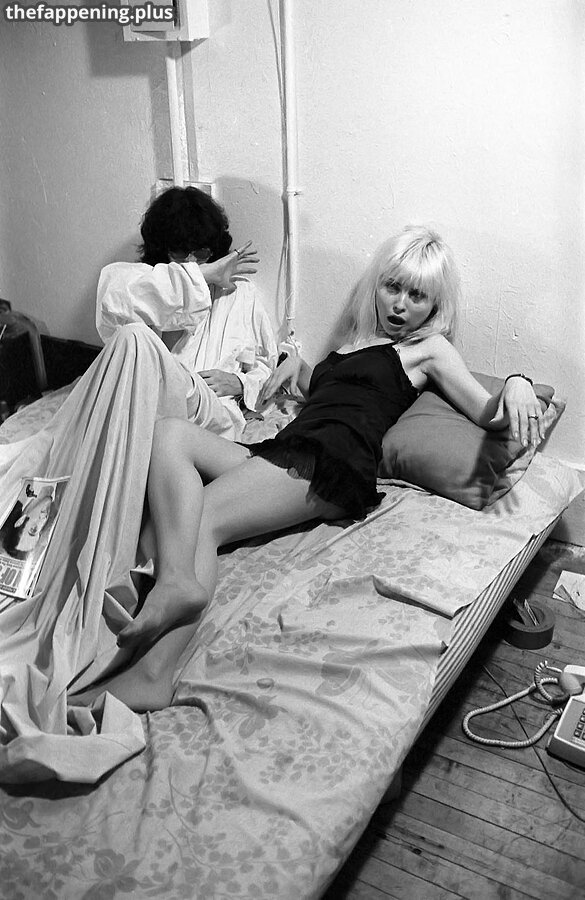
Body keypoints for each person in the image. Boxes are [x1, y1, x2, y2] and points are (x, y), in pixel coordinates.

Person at [73, 225, 545, 713]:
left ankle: (156, 670)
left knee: (203, 518)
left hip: (332, 462)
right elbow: (329, 395)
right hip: (290, 445)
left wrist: (517, 382)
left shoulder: (428, 350)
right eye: (393, 287)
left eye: (417, 296)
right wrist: (297, 369)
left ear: (435, 306)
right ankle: (174, 582)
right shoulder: (355, 342)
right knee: (170, 434)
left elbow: (485, 411)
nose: (401, 305)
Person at [96, 186, 278, 440]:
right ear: (162, 249)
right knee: (132, 335)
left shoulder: (240, 293)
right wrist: (203, 274)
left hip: (207, 412)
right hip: (146, 405)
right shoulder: (138, 285)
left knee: (180, 402)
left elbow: (266, 366)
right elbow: (111, 306)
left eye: (201, 254)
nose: (191, 262)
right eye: (181, 253)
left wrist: (239, 383)